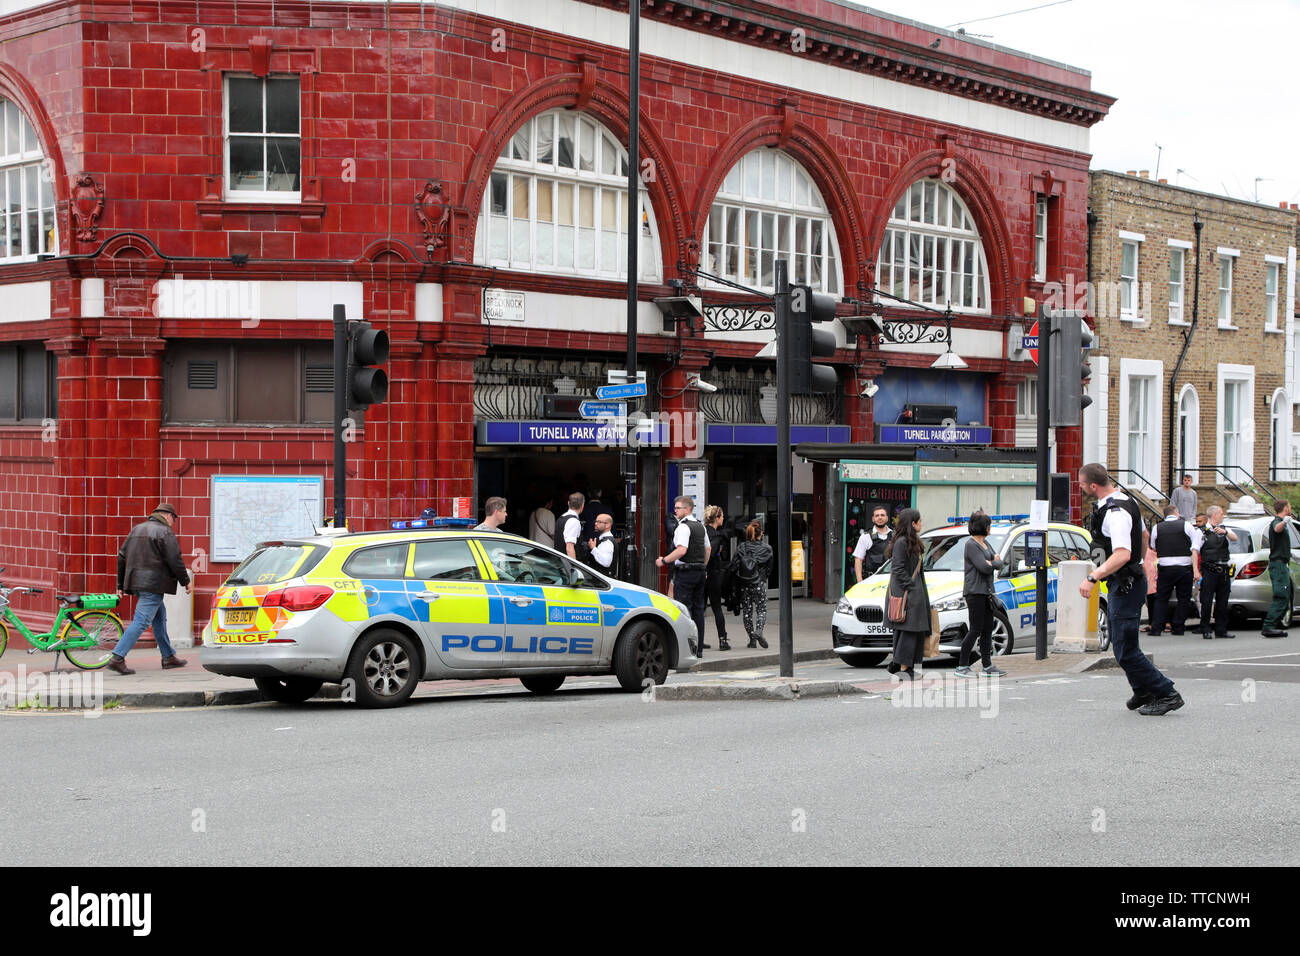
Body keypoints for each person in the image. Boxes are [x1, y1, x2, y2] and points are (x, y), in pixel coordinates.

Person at [1078, 463, 1184, 716]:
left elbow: (1122, 554)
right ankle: (1143, 689)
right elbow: (1144, 537)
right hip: (1127, 581)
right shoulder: (1128, 501)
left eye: (1082, 484)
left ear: (1093, 486)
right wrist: (1141, 564)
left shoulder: (1116, 513)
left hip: (1125, 585)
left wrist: (1093, 577)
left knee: (1125, 649)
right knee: (1123, 645)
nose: (1080, 488)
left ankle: (1166, 693)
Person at [109, 503, 192, 676]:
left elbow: (121, 556)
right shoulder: (164, 531)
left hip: (137, 583)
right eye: (173, 520)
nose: (172, 524)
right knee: (141, 621)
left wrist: (120, 585)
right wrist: (186, 581)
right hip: (153, 584)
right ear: (168, 516)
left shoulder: (137, 529)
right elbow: (175, 559)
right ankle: (117, 658)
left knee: (159, 617)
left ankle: (168, 657)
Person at [954, 511, 1007, 678]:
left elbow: (999, 563)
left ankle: (987, 665)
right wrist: (993, 562)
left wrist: (992, 562)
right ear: (984, 526)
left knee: (987, 629)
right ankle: (962, 666)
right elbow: (984, 567)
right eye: (989, 525)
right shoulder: (971, 545)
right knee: (975, 629)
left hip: (987, 592)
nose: (990, 528)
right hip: (975, 592)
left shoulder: (986, 544)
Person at [656, 496, 709, 655]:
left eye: (678, 508)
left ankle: (685, 650)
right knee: (699, 611)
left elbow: (681, 550)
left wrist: (663, 560)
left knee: (684, 610)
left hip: (686, 572)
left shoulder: (683, 527)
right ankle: (698, 649)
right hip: (700, 572)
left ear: (687, 509)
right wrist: (703, 567)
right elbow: (708, 549)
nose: (675, 510)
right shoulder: (701, 526)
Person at [886, 508, 930, 680]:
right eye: (919, 521)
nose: (921, 524)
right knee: (908, 631)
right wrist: (911, 586)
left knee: (912, 631)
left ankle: (901, 665)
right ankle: (904, 669)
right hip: (906, 594)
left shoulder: (912, 541)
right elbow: (897, 568)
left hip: (914, 592)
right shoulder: (901, 542)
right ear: (913, 523)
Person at [1149, 503, 1202, 636]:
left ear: (1165, 515)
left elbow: (1153, 546)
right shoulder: (1186, 525)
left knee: (1161, 598)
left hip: (1165, 567)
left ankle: (1156, 628)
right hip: (1184, 567)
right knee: (1183, 598)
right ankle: (1178, 627)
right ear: (1176, 513)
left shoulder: (1157, 527)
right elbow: (1195, 543)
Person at [1196, 505, 1238, 640]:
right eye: (1221, 513)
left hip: (1223, 569)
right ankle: (1206, 629)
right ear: (1214, 515)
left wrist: (1224, 533)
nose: (1223, 515)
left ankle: (1221, 629)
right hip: (1209, 569)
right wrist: (1196, 571)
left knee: (1223, 601)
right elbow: (1194, 551)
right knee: (1207, 601)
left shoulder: (1225, 528)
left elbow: (1234, 538)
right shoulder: (1202, 531)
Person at [731, 520, 773, 648]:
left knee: (747, 612)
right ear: (761, 534)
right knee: (761, 609)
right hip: (759, 582)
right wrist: (763, 577)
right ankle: (759, 631)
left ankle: (752, 640)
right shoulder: (766, 548)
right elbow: (770, 568)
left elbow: (733, 565)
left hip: (744, 583)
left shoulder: (741, 547)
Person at [1261, 499, 1292, 638]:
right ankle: (1268, 626)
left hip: (1282, 564)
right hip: (1278, 565)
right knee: (1281, 596)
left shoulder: (1281, 521)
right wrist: (1284, 521)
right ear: (1285, 508)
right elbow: (1276, 528)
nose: (1290, 508)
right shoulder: (1277, 521)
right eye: (1289, 506)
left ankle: (1274, 625)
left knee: (1286, 597)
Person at [703, 505, 730, 651]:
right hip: (711, 574)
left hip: (700, 574)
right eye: (722, 516)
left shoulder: (701, 531)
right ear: (716, 518)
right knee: (717, 608)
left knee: (699, 609)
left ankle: (698, 641)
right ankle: (723, 641)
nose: (724, 518)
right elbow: (711, 552)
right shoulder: (716, 535)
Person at [852, 505, 894, 583]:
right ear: (873, 519)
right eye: (877, 515)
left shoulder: (894, 535)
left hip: (891, 581)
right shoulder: (866, 536)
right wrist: (860, 582)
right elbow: (858, 559)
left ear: (887, 518)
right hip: (871, 581)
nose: (880, 518)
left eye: (882, 515)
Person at [553, 492, 585, 560]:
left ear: (568, 503)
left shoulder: (561, 517)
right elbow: (569, 547)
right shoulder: (573, 521)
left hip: (559, 561)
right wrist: (574, 567)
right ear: (582, 505)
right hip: (566, 565)